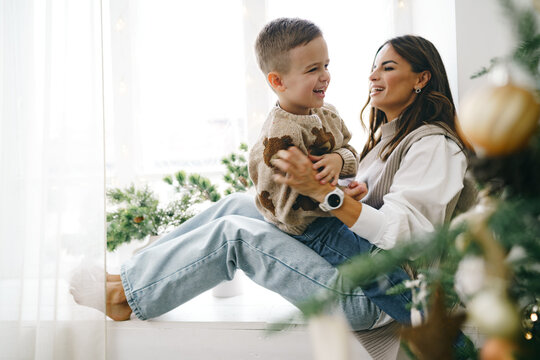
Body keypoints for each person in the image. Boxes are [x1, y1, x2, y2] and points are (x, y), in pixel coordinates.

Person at [72, 33, 472, 337]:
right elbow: (367, 206)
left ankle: (124, 299)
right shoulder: (389, 137)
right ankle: (129, 277)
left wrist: (328, 195)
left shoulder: (434, 145)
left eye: (387, 67)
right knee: (238, 205)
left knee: (236, 236)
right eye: (375, 65)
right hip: (353, 262)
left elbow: (409, 235)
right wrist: (345, 187)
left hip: (376, 296)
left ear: (422, 77)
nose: (372, 75)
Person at [248, 18, 359, 236]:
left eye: (326, 66)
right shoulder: (281, 137)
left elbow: (352, 153)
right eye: (312, 70)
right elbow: (286, 210)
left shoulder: (328, 112)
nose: (325, 76)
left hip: (336, 212)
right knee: (377, 263)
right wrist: (340, 197)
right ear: (278, 82)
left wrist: (339, 159)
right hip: (306, 231)